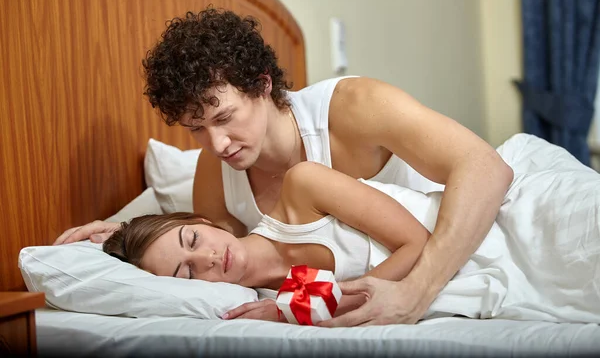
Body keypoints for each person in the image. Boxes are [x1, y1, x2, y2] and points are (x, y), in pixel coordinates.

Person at [55, 7, 514, 326]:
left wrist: (417, 293)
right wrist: (117, 231)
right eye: (196, 129)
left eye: (224, 117)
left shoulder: (354, 107)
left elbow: (486, 168)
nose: (215, 144)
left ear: (262, 84)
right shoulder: (216, 174)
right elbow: (210, 249)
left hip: (492, 221)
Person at [103, 159, 600, 325]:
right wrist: (109, 232)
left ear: (203, 220)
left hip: (512, 226)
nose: (208, 258)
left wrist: (295, 308)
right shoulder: (282, 299)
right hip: (484, 270)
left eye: (192, 239)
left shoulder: (301, 187)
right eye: (187, 272)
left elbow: (416, 241)